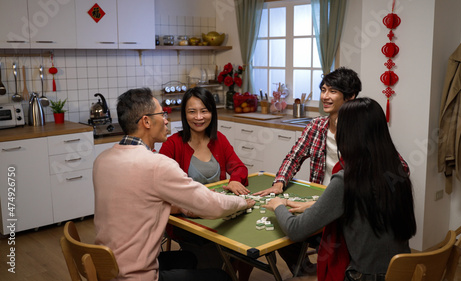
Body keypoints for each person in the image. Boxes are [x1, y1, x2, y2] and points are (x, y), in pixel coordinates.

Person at [93, 87, 255, 281]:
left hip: (106, 268)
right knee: (220, 277)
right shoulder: (157, 164)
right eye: (162, 114)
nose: (167, 120)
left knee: (187, 259)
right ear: (146, 121)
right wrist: (244, 202)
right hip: (137, 276)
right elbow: (212, 206)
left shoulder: (102, 159)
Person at [263, 97, 417, 281]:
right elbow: (363, 209)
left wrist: (278, 204)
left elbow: (296, 230)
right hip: (402, 272)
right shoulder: (396, 169)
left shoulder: (347, 179)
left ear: (348, 134)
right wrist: (316, 205)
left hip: (364, 276)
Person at [159, 87, 253, 280]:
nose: (199, 117)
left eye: (204, 111)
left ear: (212, 112)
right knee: (211, 264)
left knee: (250, 246)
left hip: (220, 214)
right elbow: (159, 187)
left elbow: (240, 167)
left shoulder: (219, 140)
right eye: (192, 111)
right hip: (189, 222)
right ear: (184, 115)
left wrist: (235, 179)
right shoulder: (172, 144)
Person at [254, 67, 362, 197]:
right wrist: (279, 183)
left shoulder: (362, 129)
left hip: (349, 198)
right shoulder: (316, 125)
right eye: (323, 90)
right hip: (319, 193)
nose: (325, 96)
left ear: (350, 96)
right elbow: (294, 158)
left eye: (332, 91)